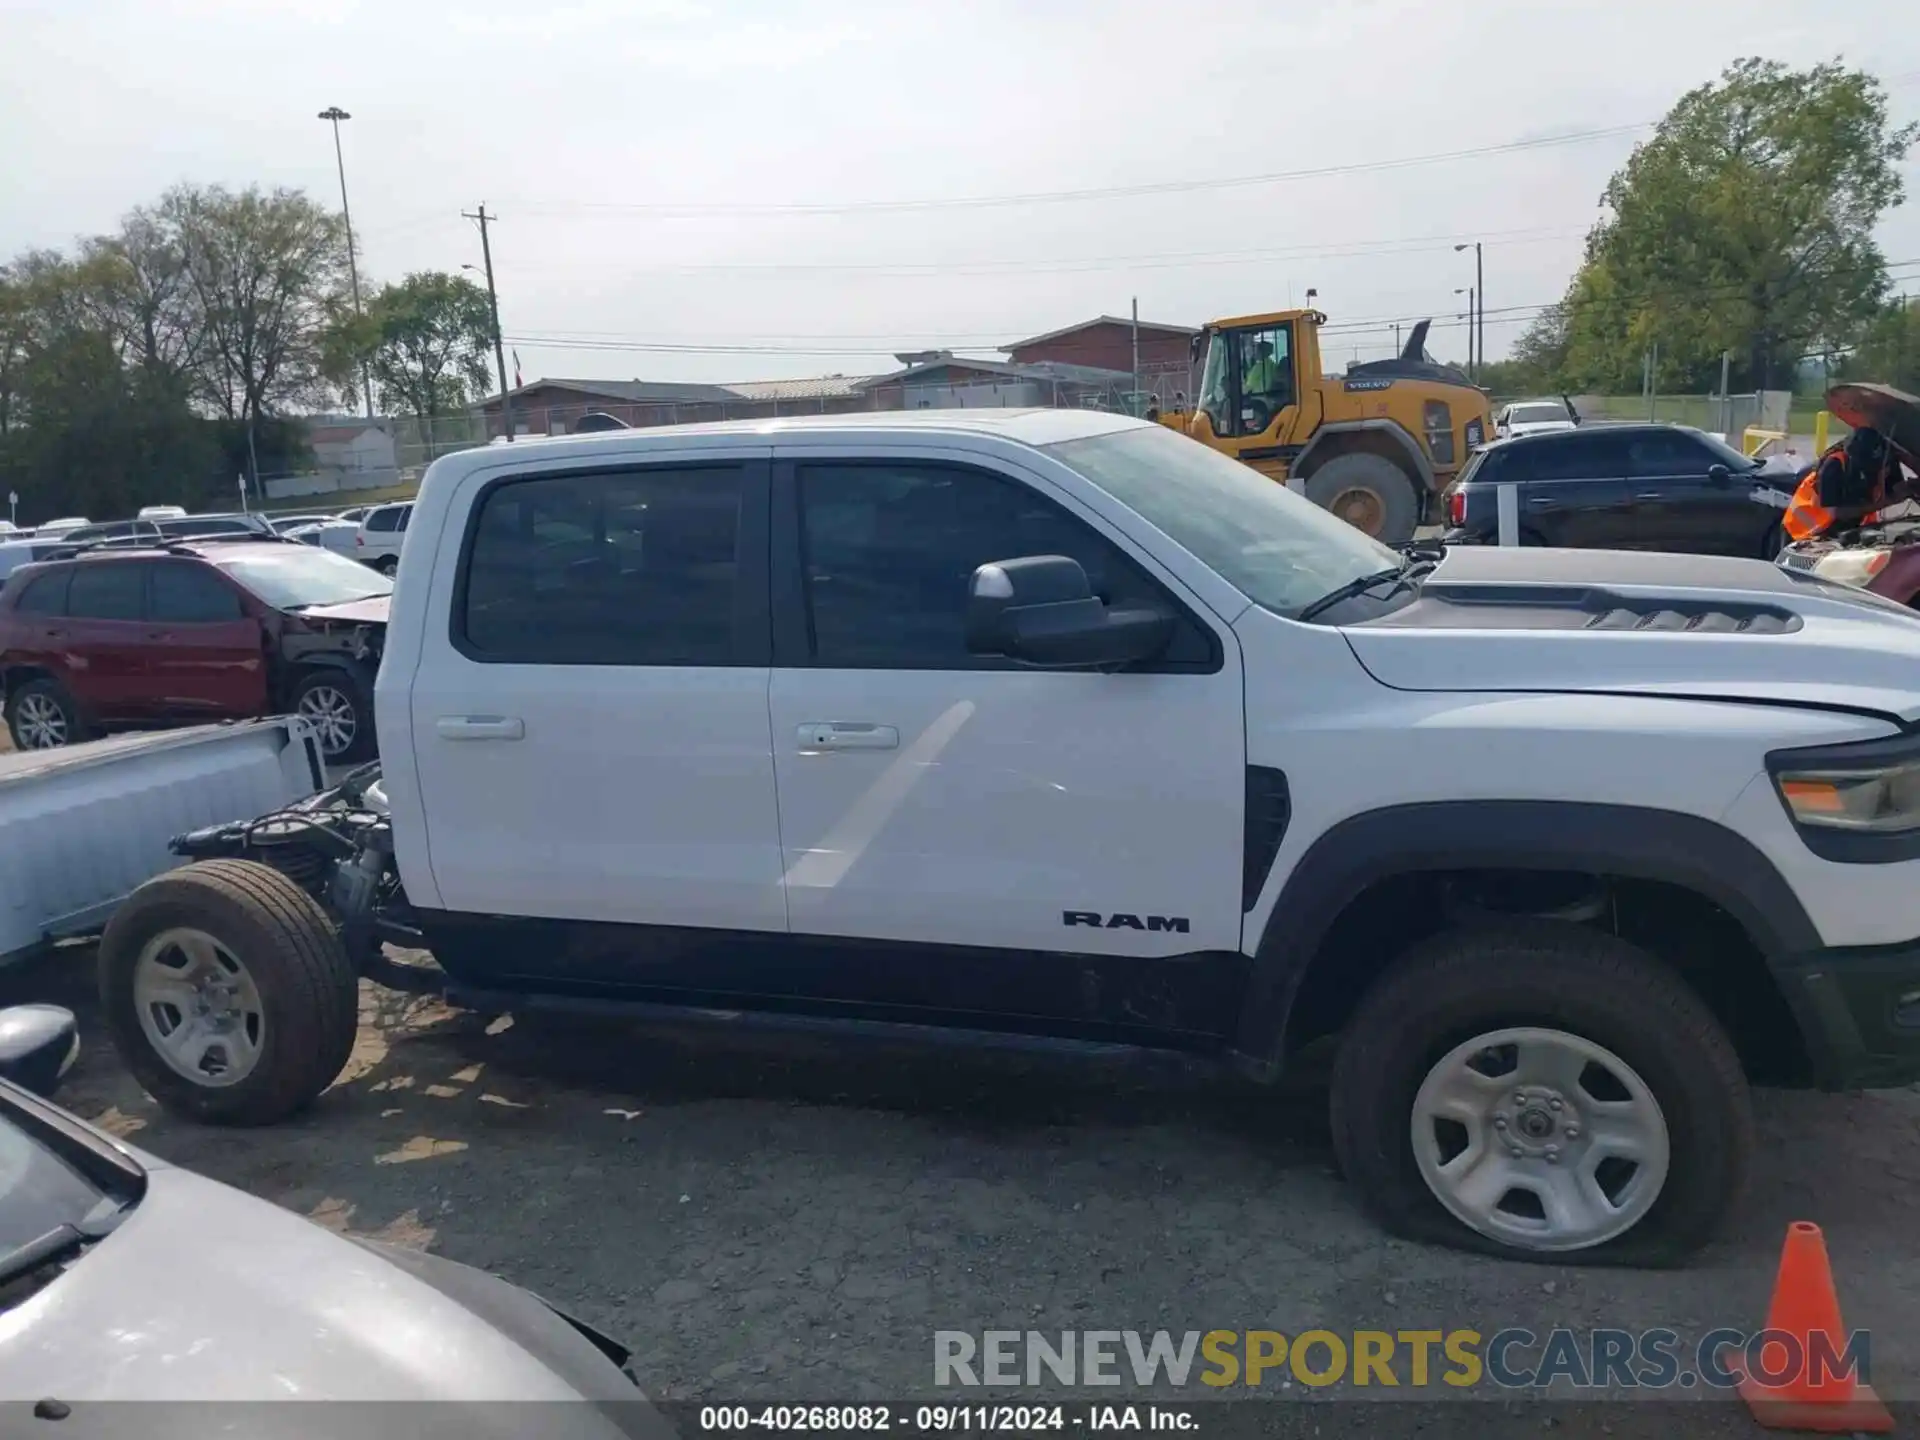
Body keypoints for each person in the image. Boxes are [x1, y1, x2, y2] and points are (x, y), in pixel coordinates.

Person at [1781, 425, 1917, 542]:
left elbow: (1896, 489)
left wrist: (1911, 488)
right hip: (1803, 530)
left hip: (1847, 528)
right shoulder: (1833, 466)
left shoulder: (1887, 460)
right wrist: (1890, 500)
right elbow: (1838, 513)